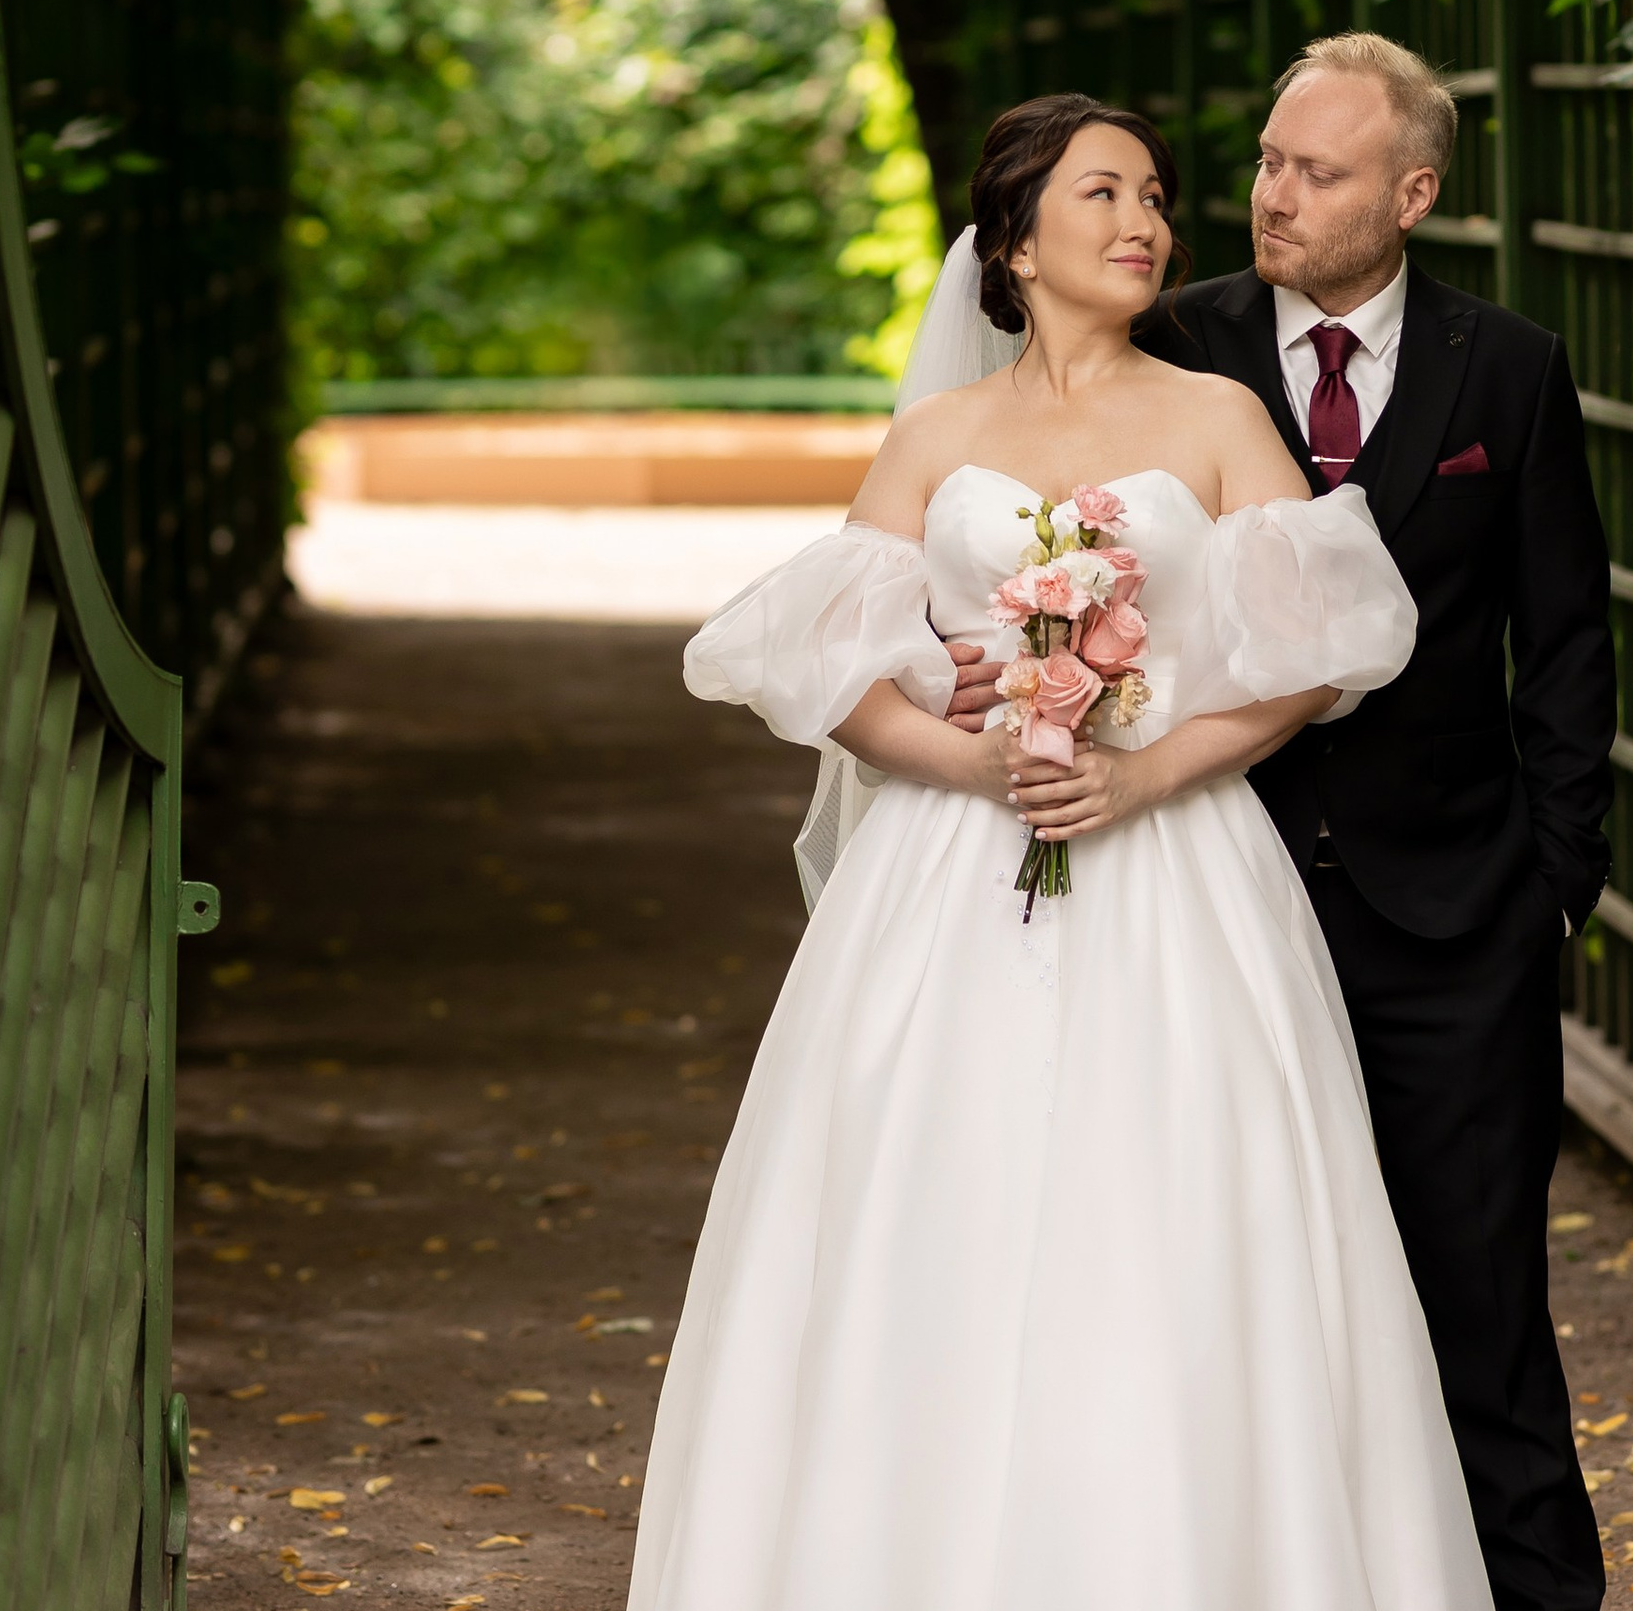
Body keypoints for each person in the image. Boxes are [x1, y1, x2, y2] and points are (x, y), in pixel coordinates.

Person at [635, 93, 1493, 1611]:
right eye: (1103, 194)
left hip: (1179, 873)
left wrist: (1147, 766)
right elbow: (823, 670)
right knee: (929, 1218)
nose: (1145, 222)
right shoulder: (937, 437)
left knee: (1183, 1233)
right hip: (948, 880)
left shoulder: (1220, 418)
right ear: (1016, 240)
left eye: (1156, 194)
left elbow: (1326, 649)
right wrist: (966, 752)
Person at [945, 33, 1616, 1611]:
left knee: (1480, 1310)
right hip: (1200, 906)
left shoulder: (1506, 368)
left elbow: (1565, 640)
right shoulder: (1167, 336)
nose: (1269, 195)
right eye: (1261, 162)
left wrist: (1554, 889)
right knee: (1227, 1303)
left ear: (1413, 191)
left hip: (1453, 922)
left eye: (1313, 171)